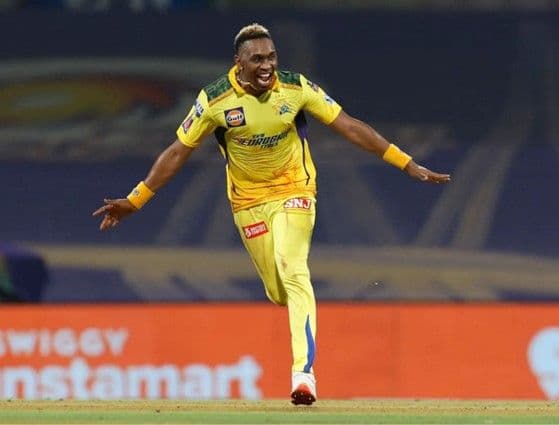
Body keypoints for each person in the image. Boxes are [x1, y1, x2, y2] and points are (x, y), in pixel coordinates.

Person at [93, 23, 451, 405]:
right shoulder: (214, 100)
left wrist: (405, 162)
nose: (267, 66)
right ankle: (293, 309)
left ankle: (304, 376)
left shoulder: (296, 88)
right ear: (239, 63)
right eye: (258, 59)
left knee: (293, 268)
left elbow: (348, 126)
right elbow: (178, 151)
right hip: (248, 204)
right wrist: (136, 199)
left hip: (295, 189)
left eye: (272, 57)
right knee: (280, 291)